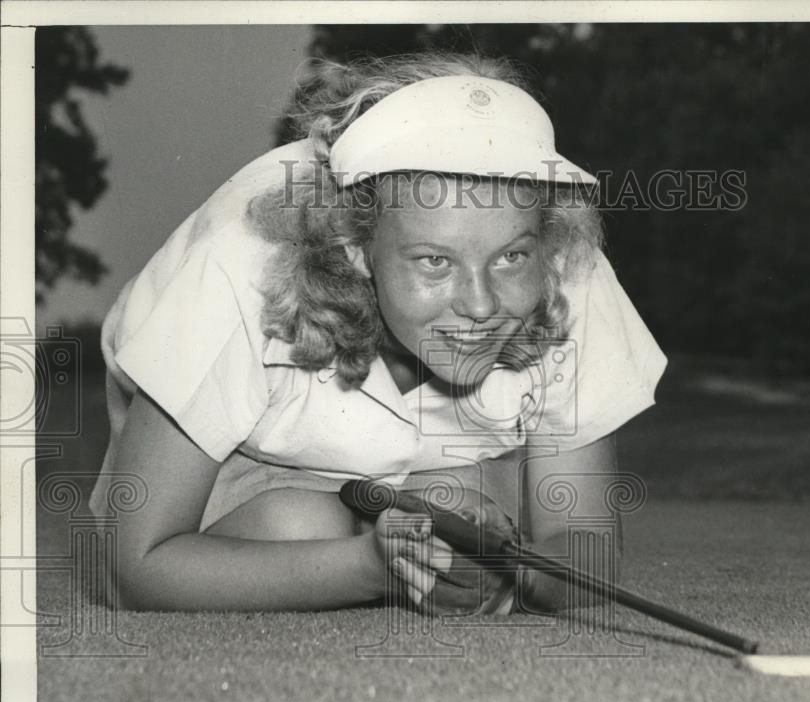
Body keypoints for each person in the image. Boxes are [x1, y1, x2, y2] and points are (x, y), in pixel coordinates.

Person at [90, 52, 667, 614]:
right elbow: (129, 569)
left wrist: (509, 566)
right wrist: (369, 567)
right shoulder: (240, 265)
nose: (480, 303)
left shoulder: (567, 266)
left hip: (441, 463)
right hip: (248, 457)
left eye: (511, 256)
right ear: (355, 247)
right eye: (434, 261)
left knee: (462, 514)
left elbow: (583, 557)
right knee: (298, 524)